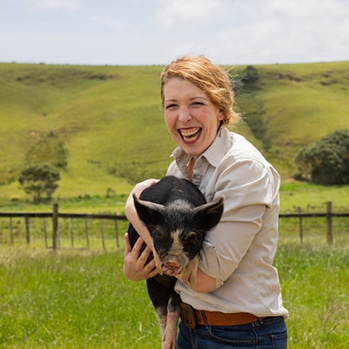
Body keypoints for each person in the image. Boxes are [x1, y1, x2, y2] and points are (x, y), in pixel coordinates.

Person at [123, 55, 288, 349]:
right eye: (172, 105)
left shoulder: (243, 168)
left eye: (196, 103)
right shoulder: (178, 166)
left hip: (242, 336)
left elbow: (204, 278)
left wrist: (133, 210)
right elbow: (172, 259)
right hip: (189, 328)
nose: (183, 117)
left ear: (221, 109)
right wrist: (137, 270)